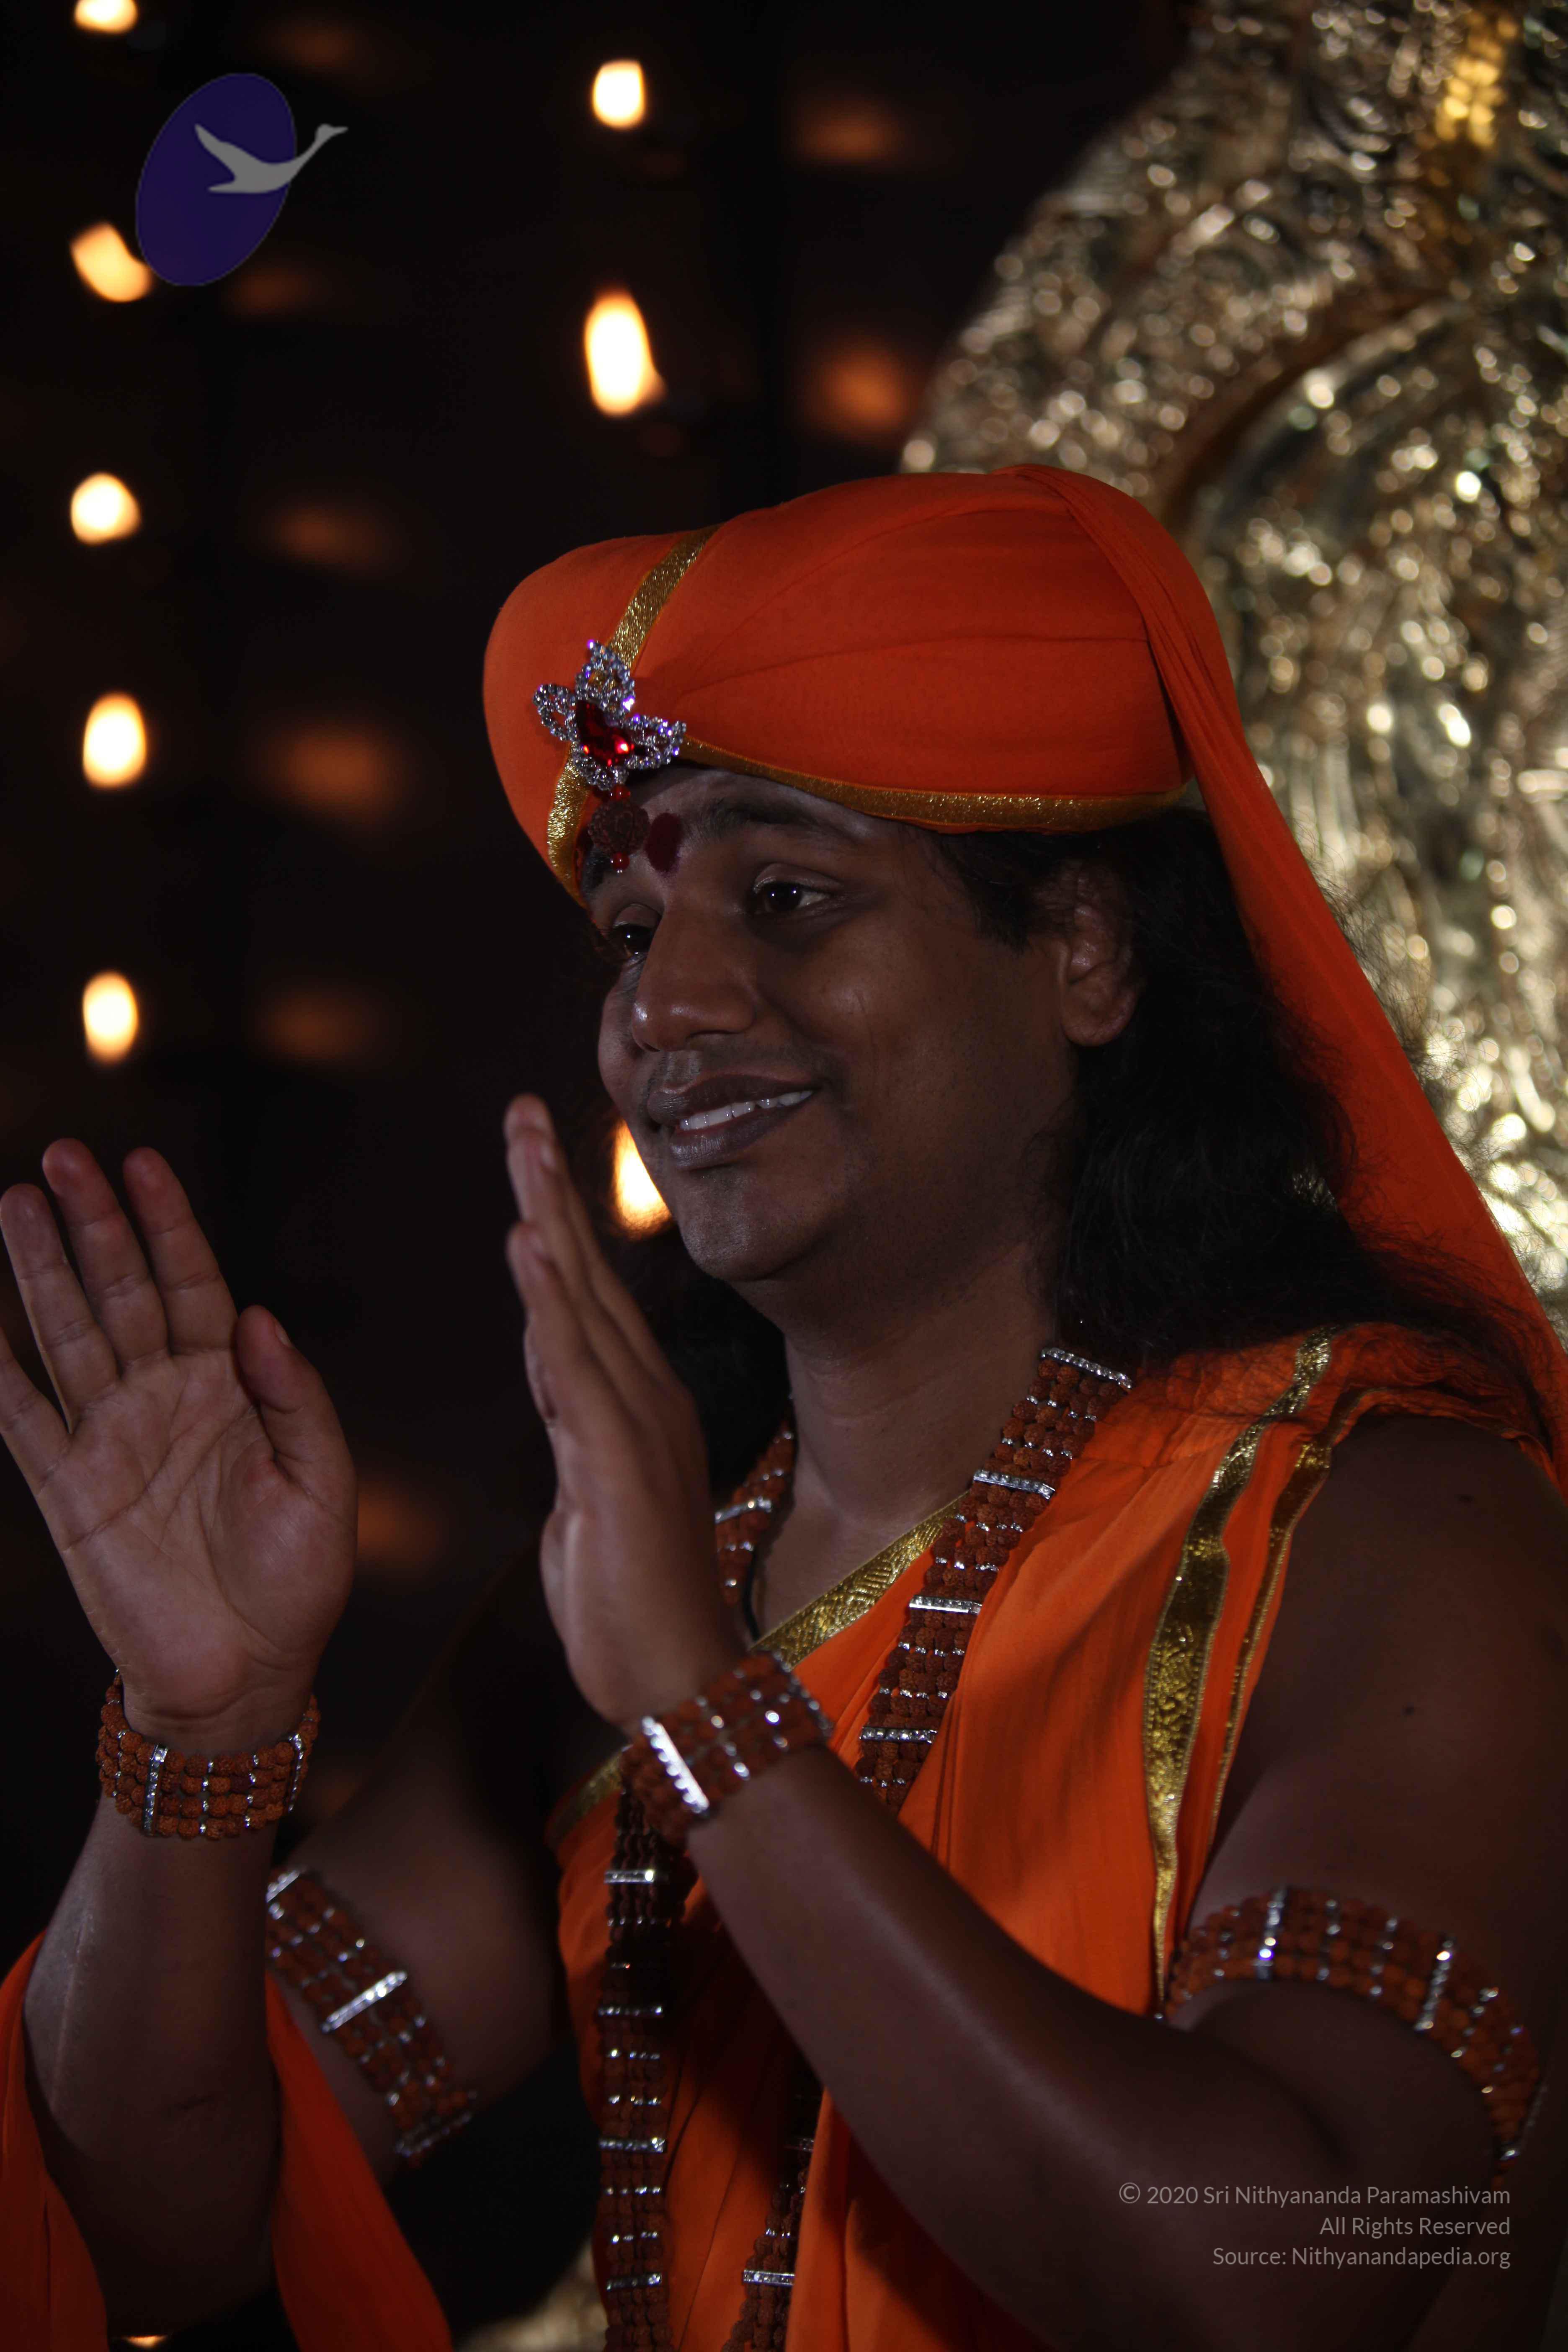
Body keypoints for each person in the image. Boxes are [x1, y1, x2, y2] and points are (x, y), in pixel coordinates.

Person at [2, 464, 1567, 2352]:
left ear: (1084, 951)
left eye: (787, 897)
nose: (664, 1006)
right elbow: (166, 2223)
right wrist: (199, 1736)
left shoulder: (1397, 1522)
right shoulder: (662, 1564)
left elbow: (1282, 2280)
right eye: (630, 929)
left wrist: (709, 1715)